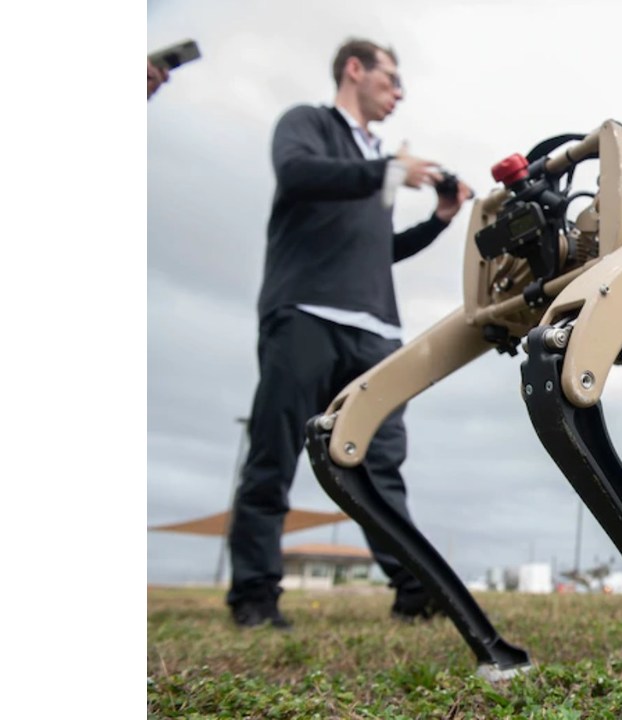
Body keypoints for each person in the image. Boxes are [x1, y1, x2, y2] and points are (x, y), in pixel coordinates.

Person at [227, 38, 474, 629]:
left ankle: (413, 590)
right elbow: (297, 173)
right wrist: (388, 169)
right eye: (391, 79)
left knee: (379, 464)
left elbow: (376, 251)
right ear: (354, 70)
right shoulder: (307, 125)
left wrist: (440, 220)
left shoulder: (373, 160)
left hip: (375, 331)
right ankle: (255, 594)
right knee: (274, 453)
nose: (400, 92)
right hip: (306, 315)